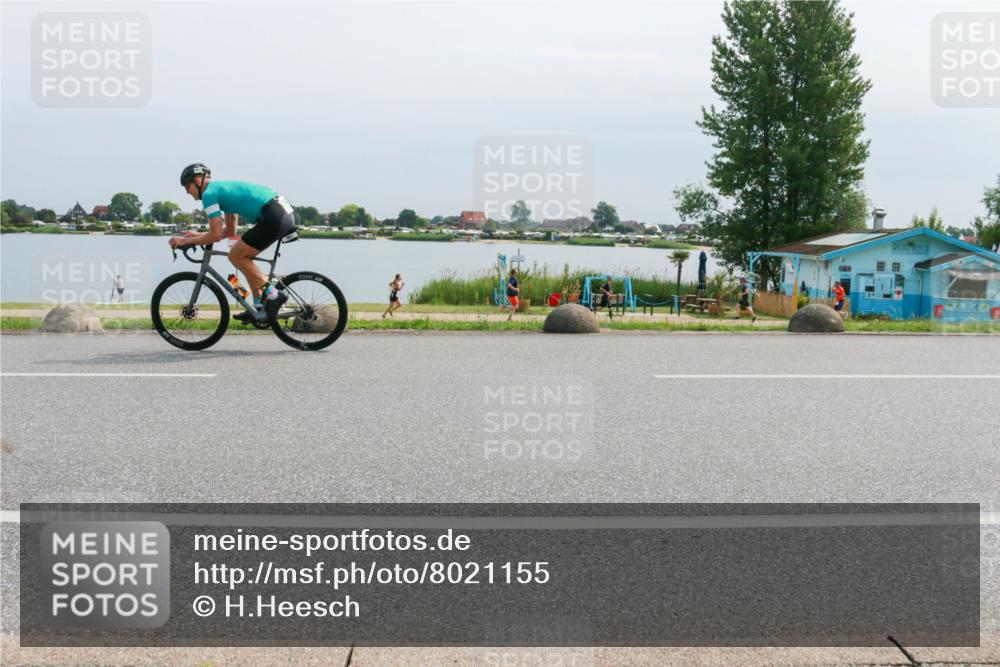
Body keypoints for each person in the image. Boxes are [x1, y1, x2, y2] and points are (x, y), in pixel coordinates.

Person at [172, 163, 293, 322]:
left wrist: (184, 241)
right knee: (242, 258)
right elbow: (229, 231)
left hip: (273, 215)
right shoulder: (222, 193)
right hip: (278, 212)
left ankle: (274, 295)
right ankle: (258, 306)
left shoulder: (210, 194)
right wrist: (199, 236)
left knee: (236, 256)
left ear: (197, 180)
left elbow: (215, 235)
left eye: (187, 186)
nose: (187, 191)